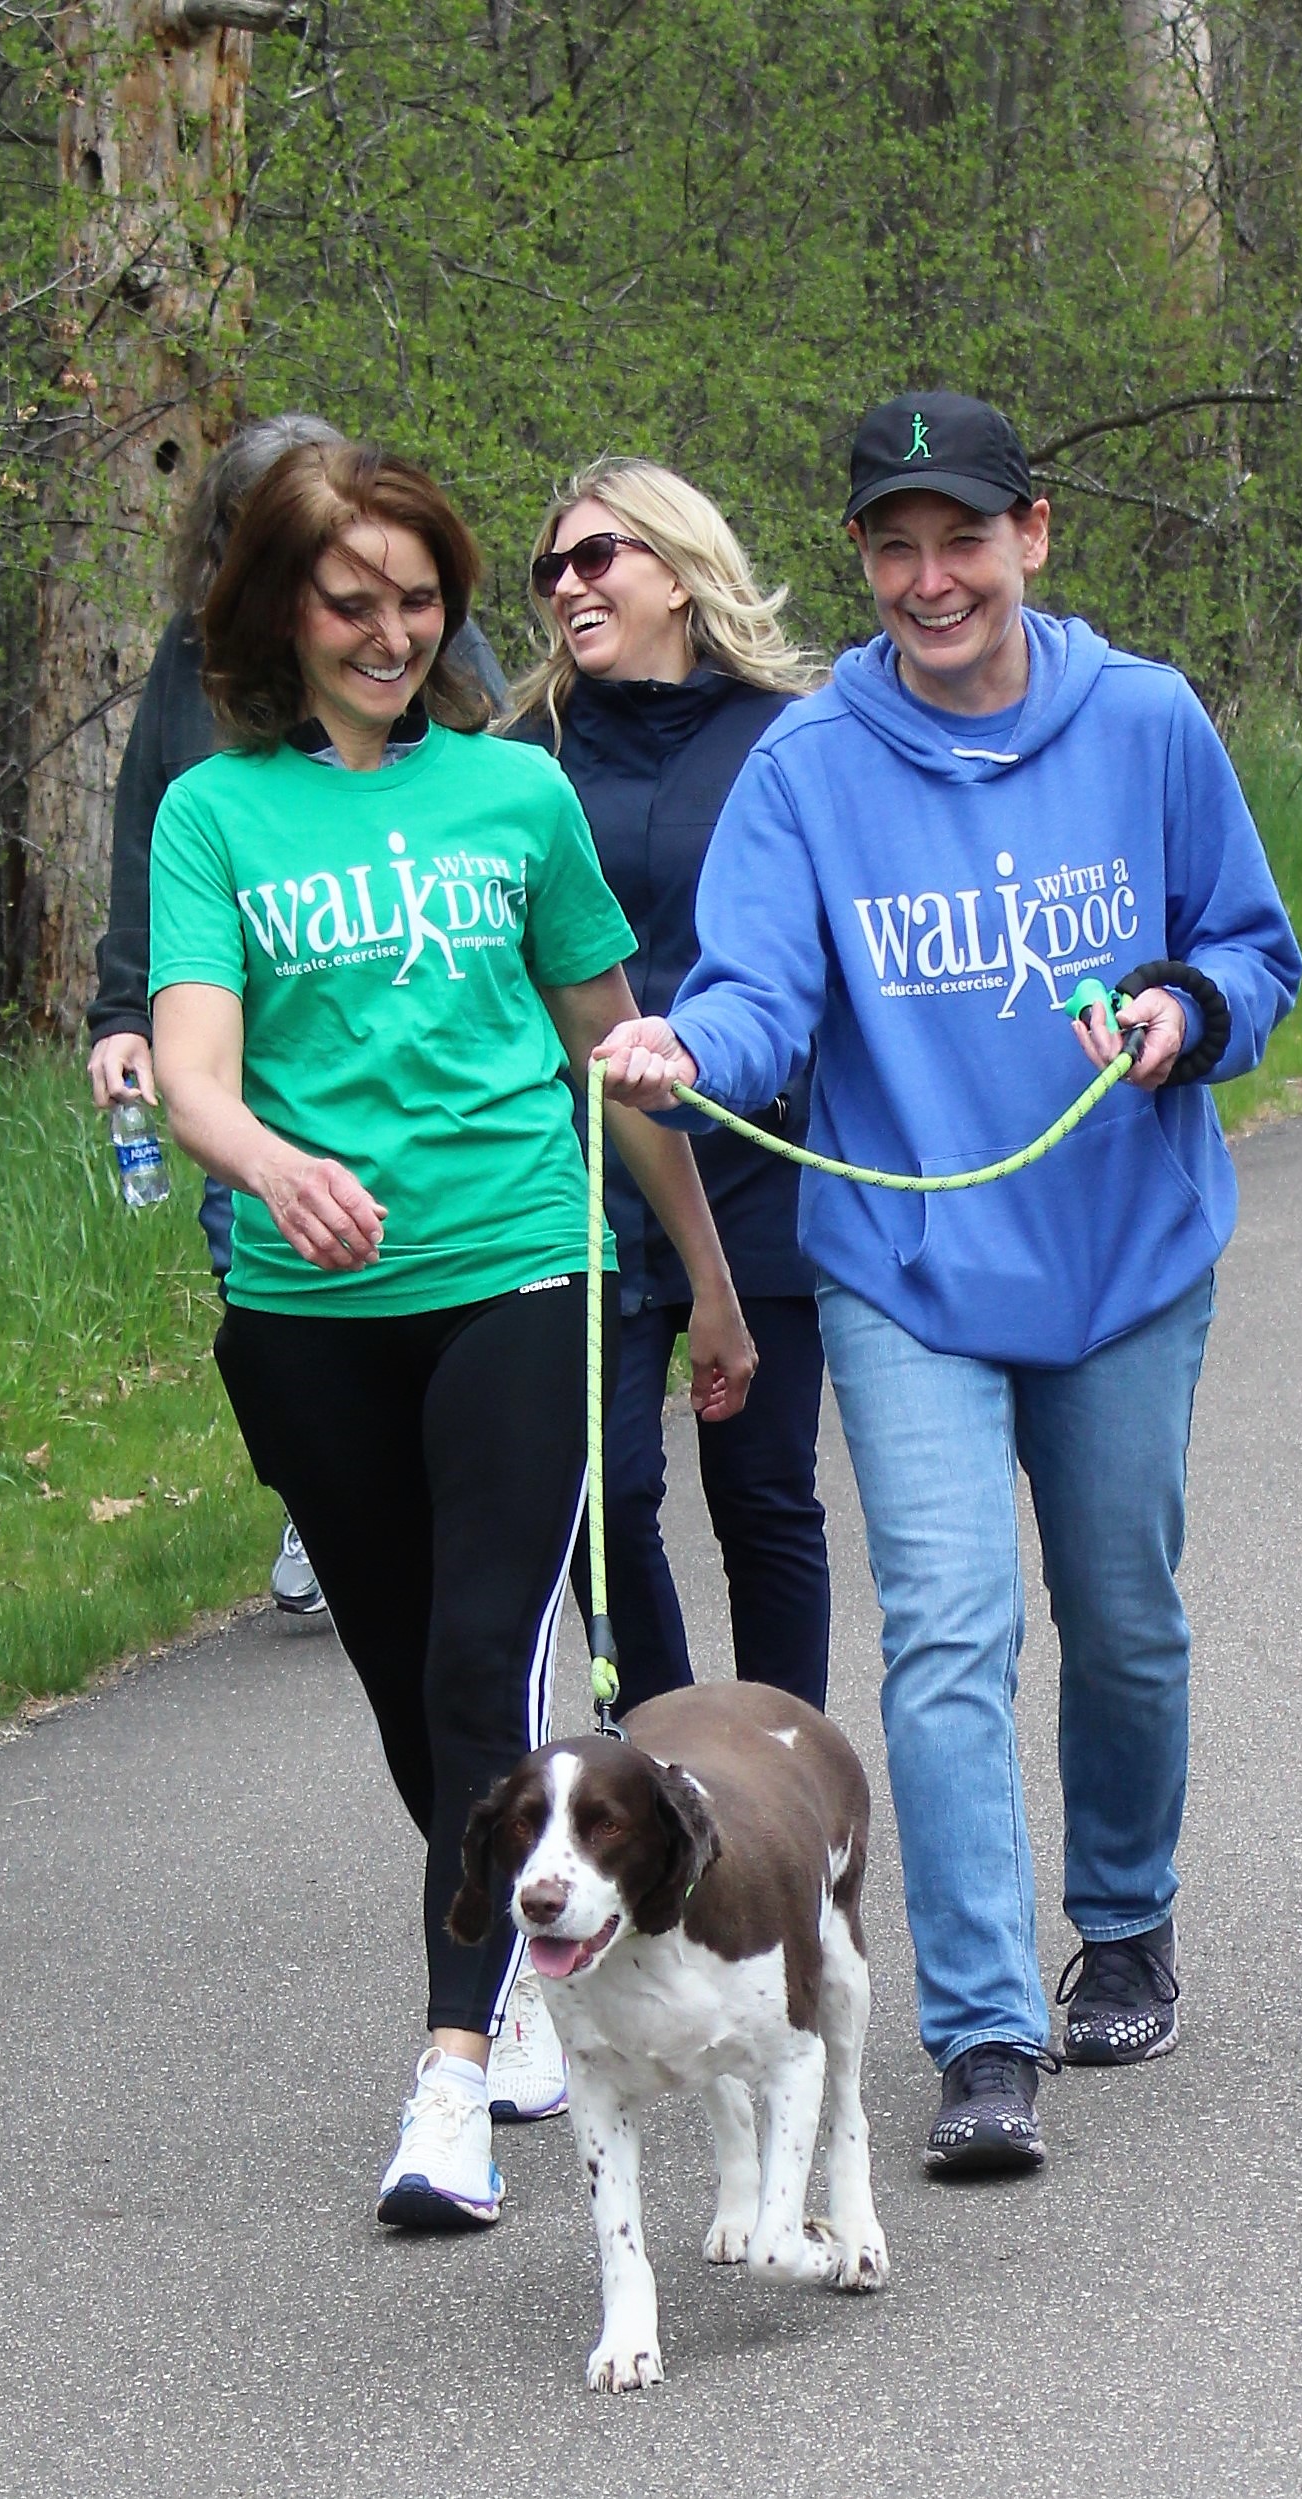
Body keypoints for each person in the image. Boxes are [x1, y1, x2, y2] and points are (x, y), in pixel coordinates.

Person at [594, 392, 1301, 2177]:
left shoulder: (1141, 721)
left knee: (1124, 1608)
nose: (930, 580)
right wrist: (690, 1049)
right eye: (895, 547)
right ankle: (981, 2029)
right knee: (948, 1630)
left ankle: (1123, 1914)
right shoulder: (813, 764)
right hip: (908, 1263)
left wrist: (1182, 1011)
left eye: (962, 540)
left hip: (1123, 1256)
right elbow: (762, 1000)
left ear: (1031, 537)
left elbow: (1254, 947)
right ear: (862, 561)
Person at [148, 441, 755, 2227]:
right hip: (308, 1310)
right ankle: (529, 1958)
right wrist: (270, 1160)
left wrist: (703, 1272)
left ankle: (449, 2077)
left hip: (515, 1270)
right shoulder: (217, 812)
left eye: (422, 599)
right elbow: (192, 1063)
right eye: (356, 600)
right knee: (413, 1677)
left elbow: (611, 1048)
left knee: (483, 1656)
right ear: (280, 609)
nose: (395, 631)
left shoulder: (513, 798)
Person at [85, 413, 510, 1615]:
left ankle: (444, 1470)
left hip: (401, 991)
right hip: (239, 1017)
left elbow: (492, 791)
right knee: (258, 1245)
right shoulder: (193, 663)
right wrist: (122, 1011)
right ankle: (321, 1497)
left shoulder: (411, 623)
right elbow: (144, 838)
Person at [507, 458, 834, 1714]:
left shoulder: (789, 738)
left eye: (599, 558)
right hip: (584, 1171)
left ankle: (788, 1764)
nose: (570, 586)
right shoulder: (519, 760)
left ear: (680, 572)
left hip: (754, 1158)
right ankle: (668, 1765)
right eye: (553, 569)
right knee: (610, 1494)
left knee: (761, 1491)